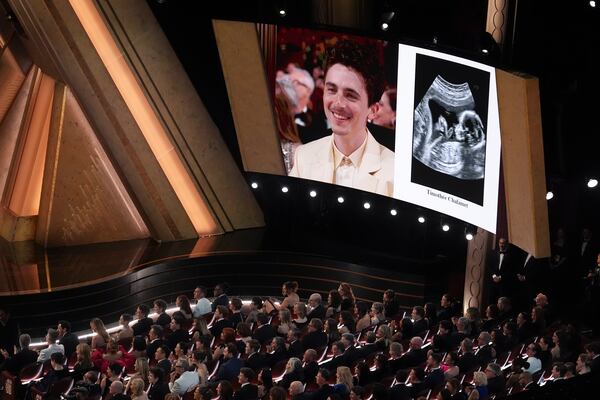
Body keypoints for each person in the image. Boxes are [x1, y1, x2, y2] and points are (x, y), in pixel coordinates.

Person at [289, 39, 394, 197]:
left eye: (350, 95)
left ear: (373, 110)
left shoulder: (394, 171)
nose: (337, 103)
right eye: (331, 89)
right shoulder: (303, 156)